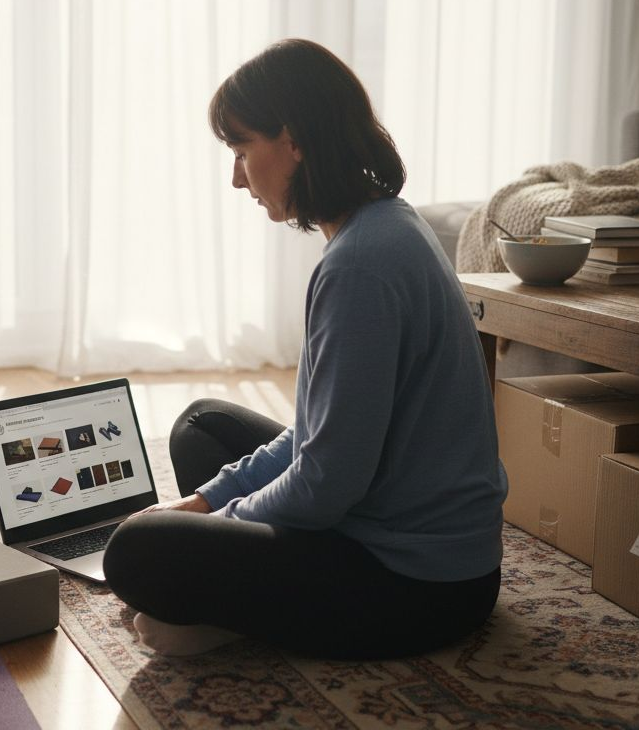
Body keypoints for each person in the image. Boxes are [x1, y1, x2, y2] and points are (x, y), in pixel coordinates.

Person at [102, 39, 507, 659]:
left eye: (241, 151)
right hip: (419, 543)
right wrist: (207, 500)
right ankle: (237, 605)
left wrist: (214, 524)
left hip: (419, 584)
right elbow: (324, 436)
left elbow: (324, 484)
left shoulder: (359, 269)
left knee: (134, 549)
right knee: (200, 427)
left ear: (292, 141)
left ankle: (235, 617)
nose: (237, 177)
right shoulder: (386, 225)